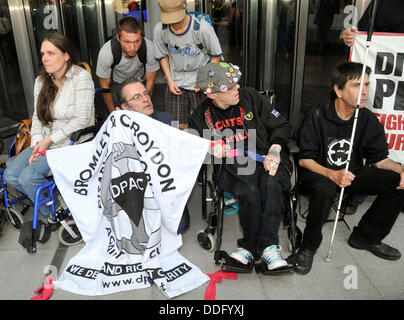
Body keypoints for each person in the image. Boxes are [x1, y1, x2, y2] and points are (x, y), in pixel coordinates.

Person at [292, 62, 404, 275]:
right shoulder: (317, 114)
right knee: (325, 188)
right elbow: (304, 160)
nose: (364, 92)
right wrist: (332, 174)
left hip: (351, 174)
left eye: (367, 85)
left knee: (397, 180)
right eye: (356, 85)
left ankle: (366, 237)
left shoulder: (366, 118)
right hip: (319, 173)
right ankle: (308, 247)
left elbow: (380, 159)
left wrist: (401, 169)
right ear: (338, 90)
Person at [189, 62, 293, 272]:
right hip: (235, 167)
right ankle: (261, 248)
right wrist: (208, 147)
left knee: (271, 183)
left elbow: (282, 124)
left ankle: (261, 247)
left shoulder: (251, 97)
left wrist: (275, 149)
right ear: (212, 94)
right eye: (230, 86)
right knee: (249, 188)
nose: (237, 88)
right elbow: (191, 144)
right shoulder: (201, 117)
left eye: (236, 83)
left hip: (266, 156)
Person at [4, 32, 94, 218]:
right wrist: (37, 145)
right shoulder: (41, 81)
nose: (45, 58)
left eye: (51, 53)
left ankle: (54, 212)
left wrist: (48, 141)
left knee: (28, 177)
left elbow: (82, 119)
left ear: (66, 55)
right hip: (45, 143)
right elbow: (37, 117)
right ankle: (53, 200)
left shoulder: (81, 77)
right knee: (10, 174)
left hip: (71, 144)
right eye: (43, 54)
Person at [342, 0, 404, 214]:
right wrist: (352, 38)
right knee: (371, 134)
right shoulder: (384, 2)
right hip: (383, 83)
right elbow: (360, 34)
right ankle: (357, 192)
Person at [116, 78, 190, 234]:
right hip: (136, 189)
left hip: (164, 186)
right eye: (136, 97)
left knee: (179, 227)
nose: (145, 99)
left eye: (145, 93)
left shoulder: (165, 119)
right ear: (125, 107)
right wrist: (118, 126)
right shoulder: (118, 127)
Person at [153, 0, 223, 130]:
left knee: (204, 124)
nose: (174, 25)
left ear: (184, 9)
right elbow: (162, 56)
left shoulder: (202, 28)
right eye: (170, 21)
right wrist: (169, 80)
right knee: (178, 125)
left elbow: (216, 55)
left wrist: (204, 79)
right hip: (176, 81)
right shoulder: (160, 30)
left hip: (200, 78)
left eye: (177, 20)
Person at [96, 16, 159, 113]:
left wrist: (145, 103)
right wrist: (113, 113)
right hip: (118, 85)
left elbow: (150, 81)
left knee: (143, 116)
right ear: (118, 38)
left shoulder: (149, 48)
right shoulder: (107, 53)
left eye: (137, 41)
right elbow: (105, 88)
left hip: (140, 83)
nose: (133, 47)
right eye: (127, 42)